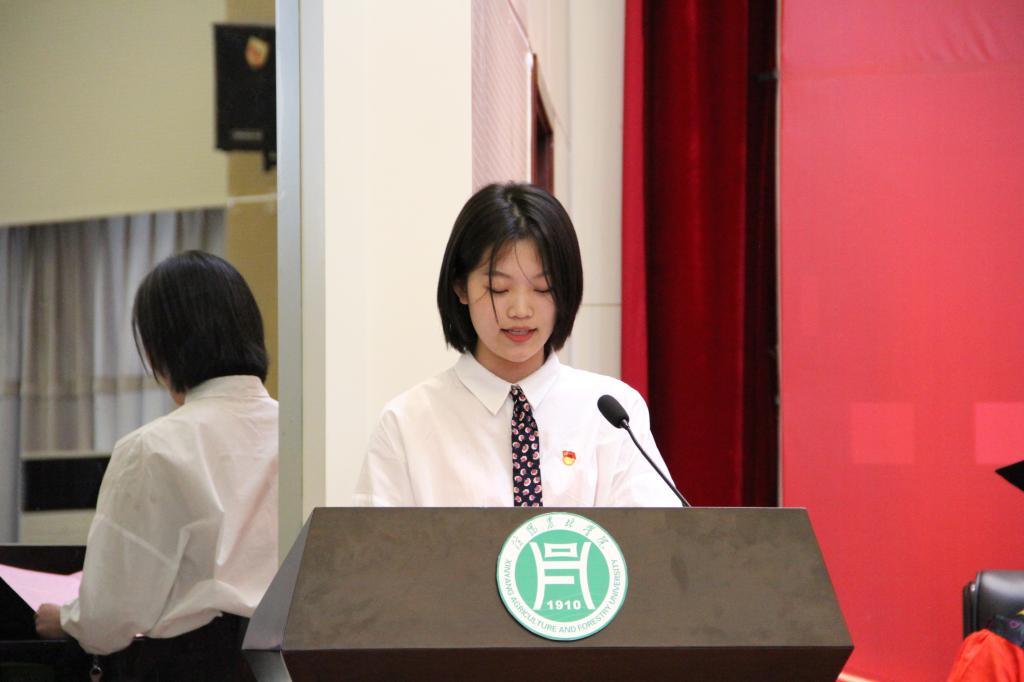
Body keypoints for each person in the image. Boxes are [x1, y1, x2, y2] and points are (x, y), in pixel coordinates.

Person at [354, 182, 681, 507]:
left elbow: (655, 535)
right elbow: (375, 541)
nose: (520, 310)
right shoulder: (407, 423)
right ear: (461, 287)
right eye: (498, 289)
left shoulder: (613, 415)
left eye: (543, 288)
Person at [34, 251, 278, 680]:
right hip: (291, 664)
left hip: (191, 668)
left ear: (161, 348)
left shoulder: (152, 449)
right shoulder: (307, 435)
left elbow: (109, 618)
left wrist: (67, 620)